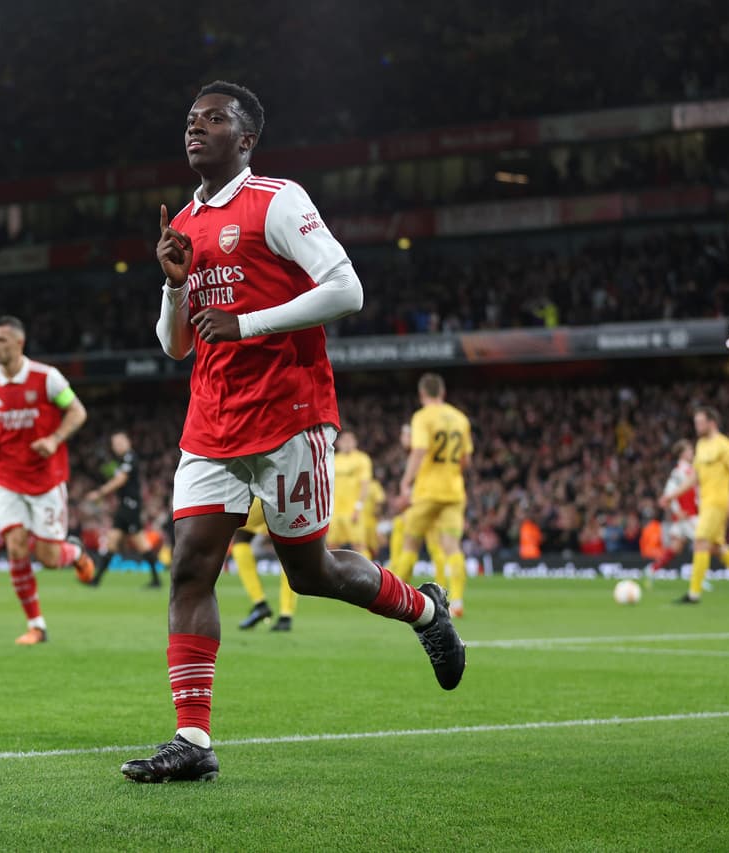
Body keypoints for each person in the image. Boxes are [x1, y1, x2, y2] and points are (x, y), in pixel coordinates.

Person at [121, 81, 465, 784]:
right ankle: (193, 738)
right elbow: (176, 346)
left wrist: (248, 323)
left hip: (289, 416)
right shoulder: (183, 221)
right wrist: (174, 284)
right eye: (190, 119)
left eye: (214, 119)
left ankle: (425, 610)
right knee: (190, 567)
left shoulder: (277, 200)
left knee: (310, 573)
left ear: (246, 139)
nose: (195, 128)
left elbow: (347, 289)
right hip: (211, 420)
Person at [0, 315, 96, 645]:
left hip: (46, 480)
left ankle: (76, 553)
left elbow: (77, 412)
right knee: (16, 547)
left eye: (1, 340)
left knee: (49, 559)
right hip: (7, 478)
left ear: (19, 343)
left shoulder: (47, 378)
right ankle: (36, 625)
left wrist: (54, 439)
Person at [390, 375, 472, 618]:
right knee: (452, 546)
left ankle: (395, 600)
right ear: (443, 392)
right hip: (454, 491)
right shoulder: (460, 418)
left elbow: (419, 451)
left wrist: (406, 482)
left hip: (427, 492)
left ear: (422, 394)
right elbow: (466, 460)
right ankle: (457, 602)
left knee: (410, 543)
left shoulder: (423, 417)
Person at [677, 408, 729, 604]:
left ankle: (694, 594)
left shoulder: (724, 445)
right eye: (696, 422)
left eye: (700, 422)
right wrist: (672, 495)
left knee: (700, 541)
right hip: (705, 503)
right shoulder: (700, 445)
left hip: (717, 503)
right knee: (717, 548)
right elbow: (694, 477)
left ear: (712, 423)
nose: (697, 426)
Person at [84, 431, 164, 588]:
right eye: (115, 443)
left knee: (141, 543)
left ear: (128, 442)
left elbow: (120, 480)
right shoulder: (121, 460)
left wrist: (99, 493)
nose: (117, 446)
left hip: (131, 506)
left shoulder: (130, 458)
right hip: (124, 506)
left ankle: (156, 580)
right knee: (112, 542)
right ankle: (96, 580)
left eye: (120, 442)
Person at [388, 423, 447, 584]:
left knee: (406, 545)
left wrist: (408, 497)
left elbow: (423, 484)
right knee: (436, 549)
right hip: (431, 507)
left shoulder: (419, 457)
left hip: (420, 508)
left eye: (405, 435)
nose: (403, 439)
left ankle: (398, 584)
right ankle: (442, 587)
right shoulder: (425, 455)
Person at [230, 498, 297, 632]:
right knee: (289, 547)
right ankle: (286, 615)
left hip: (264, 495)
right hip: (293, 499)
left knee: (241, 538)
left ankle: (259, 603)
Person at [647, 439, 698, 586]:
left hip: (690, 514)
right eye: (689, 450)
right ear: (682, 454)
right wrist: (677, 511)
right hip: (688, 516)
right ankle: (698, 578)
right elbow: (668, 493)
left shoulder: (690, 470)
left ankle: (652, 569)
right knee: (703, 544)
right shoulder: (678, 472)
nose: (692, 452)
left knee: (676, 547)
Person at [327, 430, 372, 557]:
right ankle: (334, 570)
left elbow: (365, 485)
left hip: (353, 510)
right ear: (338, 443)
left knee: (359, 545)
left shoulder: (362, 459)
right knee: (332, 546)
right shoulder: (333, 459)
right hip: (335, 512)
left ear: (355, 442)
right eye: (344, 440)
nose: (347, 443)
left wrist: (358, 507)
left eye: (350, 440)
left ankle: (366, 569)